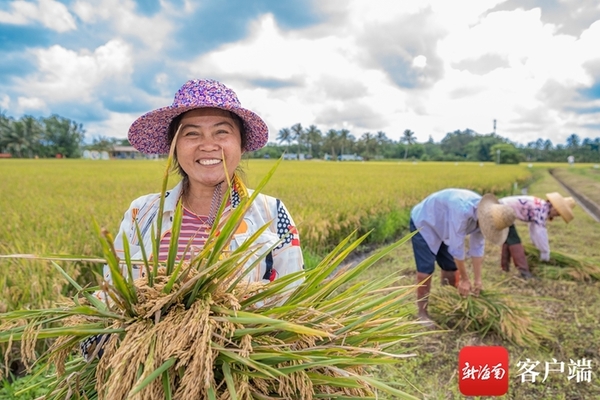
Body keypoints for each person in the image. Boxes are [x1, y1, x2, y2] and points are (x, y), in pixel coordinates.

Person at [81, 79, 304, 359]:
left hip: (242, 368)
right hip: (147, 370)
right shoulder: (142, 213)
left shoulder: (272, 214)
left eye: (222, 132)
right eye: (192, 134)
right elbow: (112, 294)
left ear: (241, 144)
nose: (208, 146)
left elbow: (292, 298)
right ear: (174, 147)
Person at [409, 189, 516, 327]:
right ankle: (422, 314)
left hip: (445, 227)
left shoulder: (487, 217)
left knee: (451, 267)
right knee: (426, 269)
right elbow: (456, 248)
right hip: (425, 222)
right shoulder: (461, 209)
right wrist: (465, 280)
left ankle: (445, 302)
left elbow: (477, 248)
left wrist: (478, 281)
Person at [498, 192, 576, 278]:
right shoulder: (541, 211)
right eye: (558, 213)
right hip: (502, 210)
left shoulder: (542, 206)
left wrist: (535, 245)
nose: (556, 215)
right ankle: (524, 272)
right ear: (555, 208)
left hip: (500, 207)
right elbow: (540, 233)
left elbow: (533, 229)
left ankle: (505, 268)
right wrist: (545, 252)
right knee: (514, 240)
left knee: (509, 239)